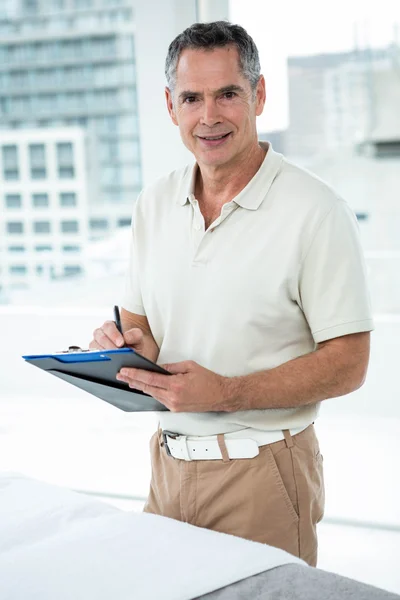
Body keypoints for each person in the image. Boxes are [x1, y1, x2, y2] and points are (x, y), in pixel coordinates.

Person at [89, 21, 373, 566]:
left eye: (228, 94)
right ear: (171, 106)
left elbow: (350, 364)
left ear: (259, 95)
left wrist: (228, 393)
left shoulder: (317, 211)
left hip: (262, 475)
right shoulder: (153, 204)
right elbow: (142, 331)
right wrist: (122, 350)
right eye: (192, 98)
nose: (209, 116)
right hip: (166, 469)